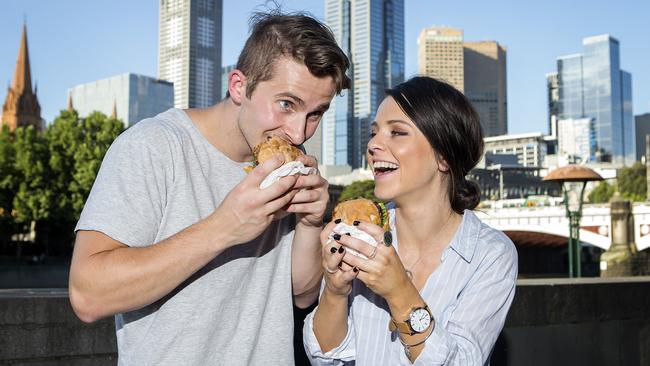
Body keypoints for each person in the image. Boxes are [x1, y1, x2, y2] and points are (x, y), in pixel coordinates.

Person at [69, 11, 350, 366]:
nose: (298, 133)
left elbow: (300, 294)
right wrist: (223, 228)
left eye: (316, 113)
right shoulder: (154, 145)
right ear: (238, 86)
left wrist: (311, 224)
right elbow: (87, 296)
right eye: (286, 104)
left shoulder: (292, 161)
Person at [303, 76, 518, 365]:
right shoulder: (361, 235)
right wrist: (335, 289)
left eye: (397, 133)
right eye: (374, 133)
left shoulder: (490, 254)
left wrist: (399, 290)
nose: (373, 145)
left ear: (444, 156)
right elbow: (325, 359)